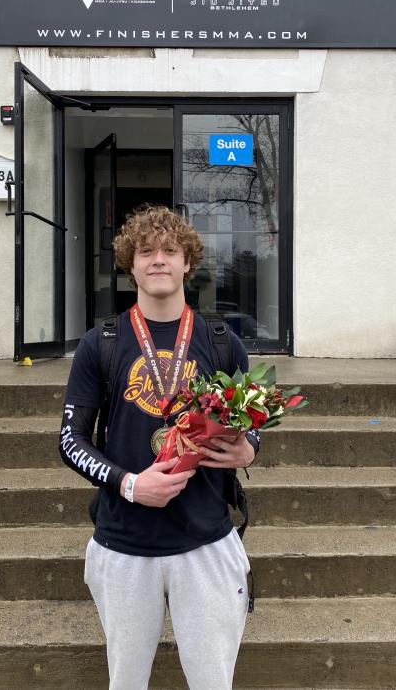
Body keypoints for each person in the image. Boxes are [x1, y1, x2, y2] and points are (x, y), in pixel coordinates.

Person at [59, 205, 260, 690]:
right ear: (130, 264)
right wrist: (130, 484)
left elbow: (251, 420)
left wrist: (249, 448)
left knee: (213, 682)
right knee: (126, 682)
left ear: (187, 262)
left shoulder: (221, 341)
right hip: (124, 545)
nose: (158, 260)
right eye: (145, 251)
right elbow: (70, 439)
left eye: (170, 250)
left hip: (207, 542)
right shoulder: (101, 343)